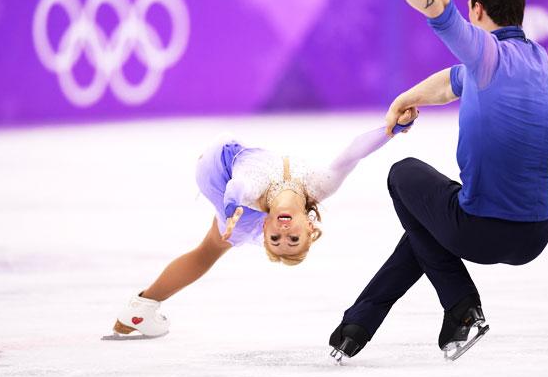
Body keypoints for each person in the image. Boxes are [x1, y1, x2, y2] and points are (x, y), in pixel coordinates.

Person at [329, 0, 548, 362]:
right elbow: (452, 81)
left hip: (482, 231)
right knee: (426, 222)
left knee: (403, 174)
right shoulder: (537, 59)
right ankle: (357, 324)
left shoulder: (487, 54)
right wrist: (406, 98)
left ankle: (460, 305)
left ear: (477, 9)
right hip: (537, 234)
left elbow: (439, 8)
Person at [103, 108, 419, 340]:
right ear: (309, 227)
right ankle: (140, 307)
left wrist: (231, 207)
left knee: (207, 252)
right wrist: (391, 130)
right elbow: (352, 154)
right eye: (293, 239)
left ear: (265, 228)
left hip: (220, 173)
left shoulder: (252, 191)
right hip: (231, 175)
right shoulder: (320, 185)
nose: (283, 234)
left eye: (276, 240)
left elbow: (240, 186)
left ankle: (140, 307)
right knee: (206, 253)